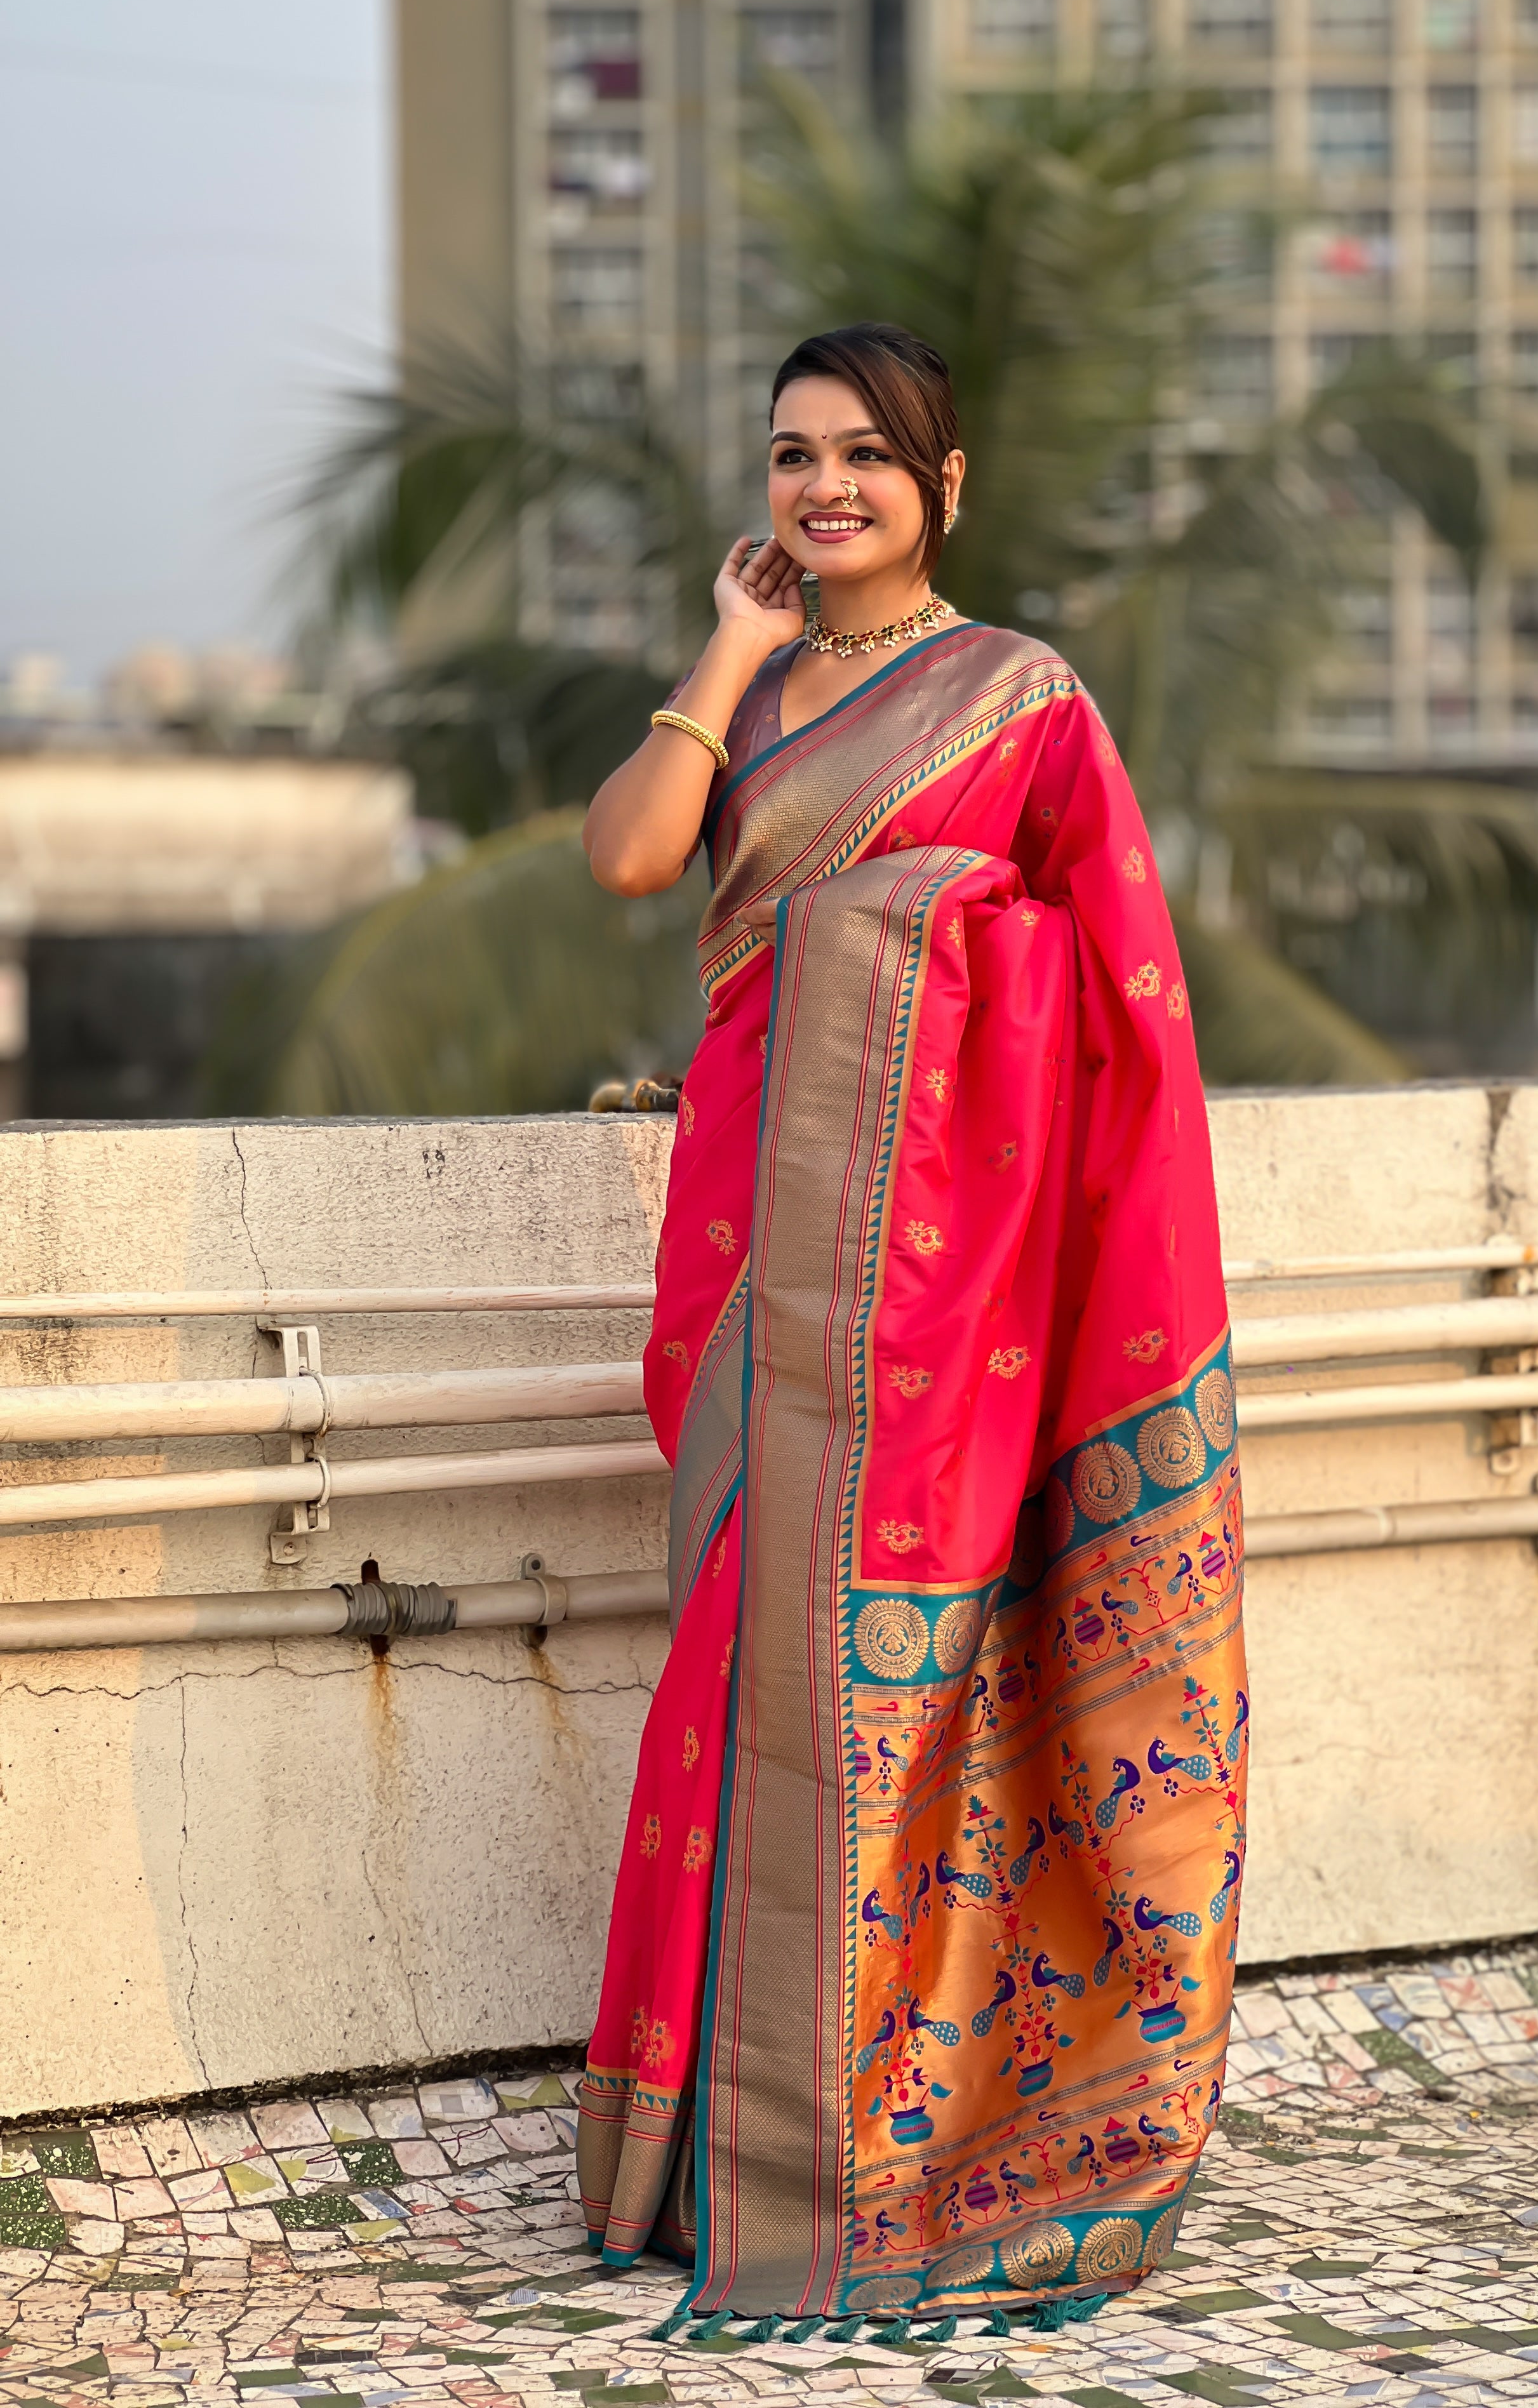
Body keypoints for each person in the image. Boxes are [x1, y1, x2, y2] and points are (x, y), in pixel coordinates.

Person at [576, 322, 1247, 2337]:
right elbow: (626, 855)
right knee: (729, 1678)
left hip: (947, 1300)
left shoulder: (1028, 704)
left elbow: (1108, 992)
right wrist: (719, 652)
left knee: (902, 1684)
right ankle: (695, 2161)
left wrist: (919, 947)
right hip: (746, 1264)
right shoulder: (759, 699)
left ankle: (877, 2147)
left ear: (944, 487)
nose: (827, 489)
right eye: (793, 458)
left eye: (868, 457)